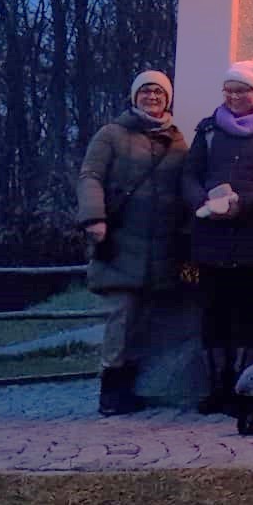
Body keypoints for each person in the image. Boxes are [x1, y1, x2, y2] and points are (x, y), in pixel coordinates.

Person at [181, 59, 253, 416]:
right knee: (214, 314)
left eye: (241, 91)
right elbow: (189, 174)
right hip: (212, 238)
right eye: (228, 91)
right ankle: (217, 387)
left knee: (251, 315)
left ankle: (245, 387)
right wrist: (203, 202)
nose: (233, 97)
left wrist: (242, 203)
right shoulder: (208, 129)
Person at [77, 70, 189, 416]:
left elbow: (184, 187)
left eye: (158, 92)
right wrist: (94, 218)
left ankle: (131, 389)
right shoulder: (111, 134)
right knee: (120, 317)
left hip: (161, 246)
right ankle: (110, 390)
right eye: (146, 92)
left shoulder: (176, 141)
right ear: (134, 96)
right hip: (121, 241)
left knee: (145, 322)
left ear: (167, 99)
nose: (152, 97)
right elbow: (90, 176)